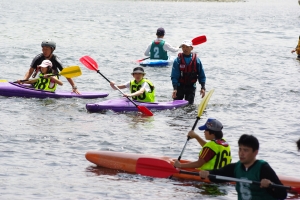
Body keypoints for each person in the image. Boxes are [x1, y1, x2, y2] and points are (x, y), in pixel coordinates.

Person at [199, 134, 287, 200]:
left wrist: (271, 185)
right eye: (240, 149)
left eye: (246, 150)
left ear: (255, 152)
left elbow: (283, 194)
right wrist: (207, 173)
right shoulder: (236, 167)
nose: (241, 153)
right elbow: (219, 175)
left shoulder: (263, 168)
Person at [171, 40, 206, 104]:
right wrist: (175, 89)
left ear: (191, 48)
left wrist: (203, 88)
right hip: (179, 87)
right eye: (183, 47)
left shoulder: (197, 60)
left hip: (191, 87)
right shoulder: (178, 60)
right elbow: (174, 75)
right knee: (176, 107)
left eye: (187, 47)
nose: (185, 49)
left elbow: (201, 75)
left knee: (189, 107)